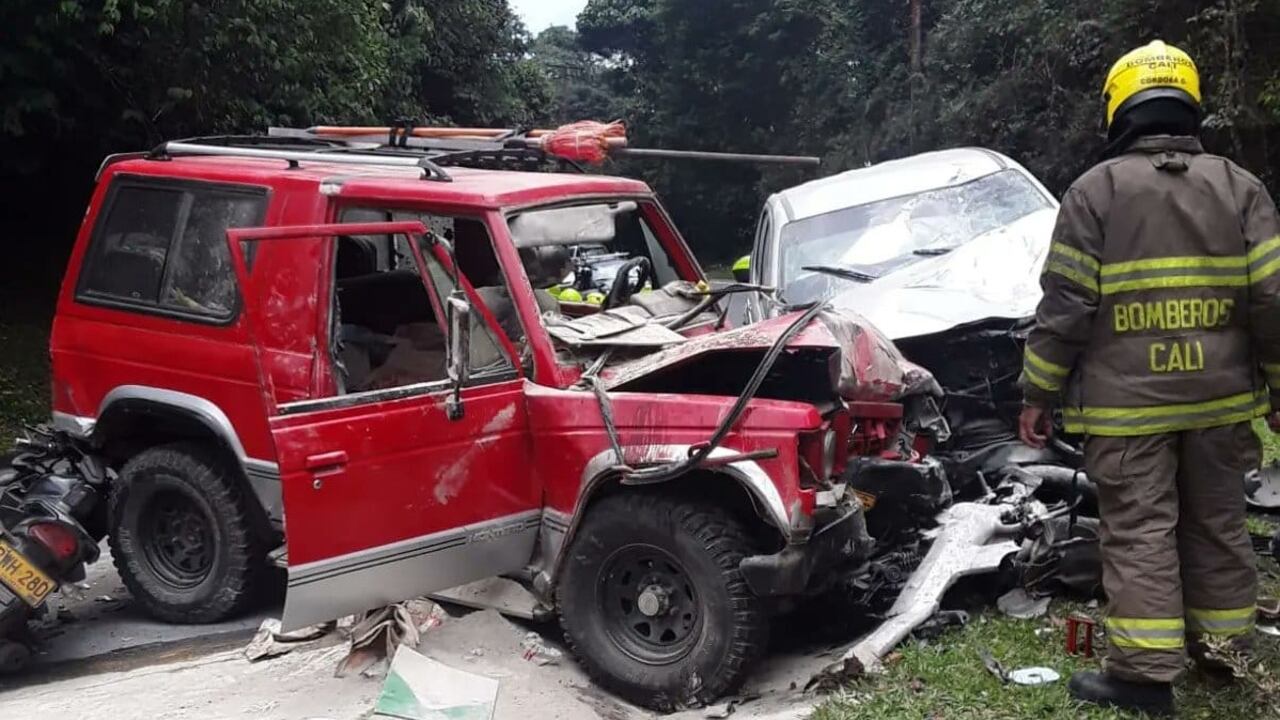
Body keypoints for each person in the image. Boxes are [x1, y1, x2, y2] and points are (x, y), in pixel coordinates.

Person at [1018, 40, 1280, 716]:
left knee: (1139, 531)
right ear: (1189, 104)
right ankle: (1220, 652)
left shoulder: (1094, 192)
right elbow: (1271, 301)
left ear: (1120, 107)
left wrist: (1038, 393)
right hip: (1220, 403)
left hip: (1127, 411)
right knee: (1217, 521)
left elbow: (1066, 307)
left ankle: (1142, 676)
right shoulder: (1241, 188)